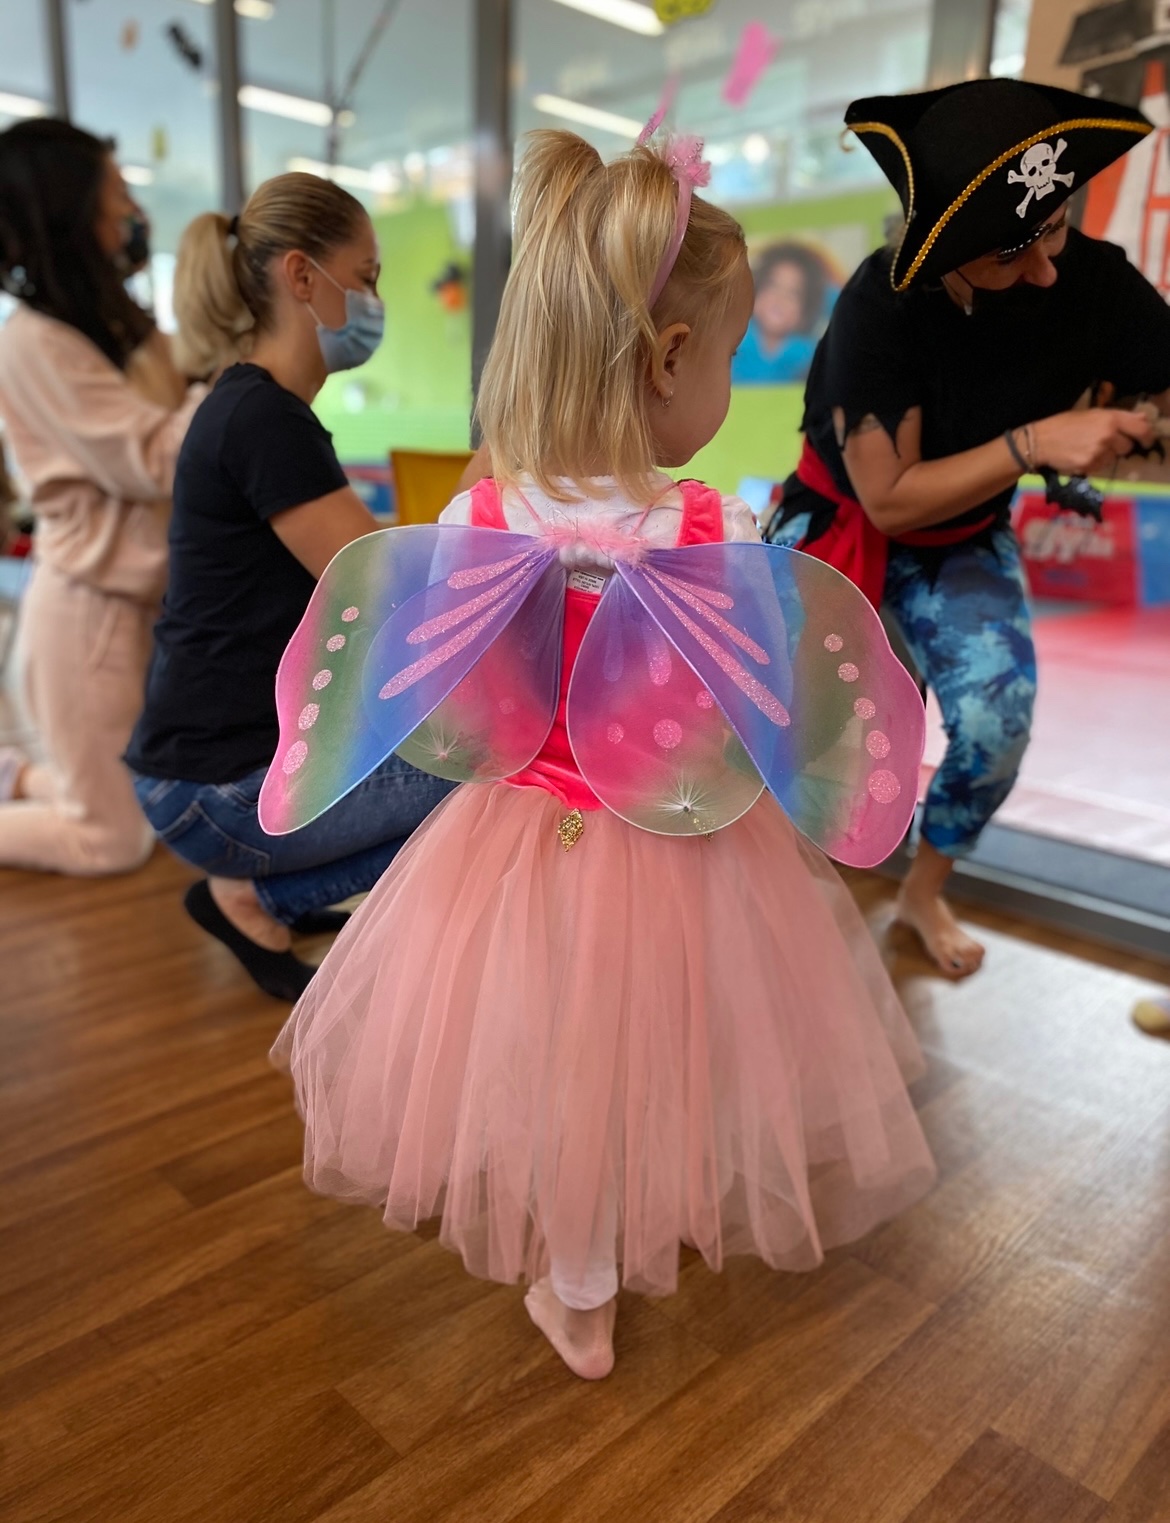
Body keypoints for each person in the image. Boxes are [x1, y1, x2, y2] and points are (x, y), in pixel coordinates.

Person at [267, 127, 936, 1381]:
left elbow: (452, 694)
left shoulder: (480, 510)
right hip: (677, 844)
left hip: (513, 840)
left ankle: (571, 1275)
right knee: (658, 1052)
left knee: (530, 1048)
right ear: (671, 356)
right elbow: (760, 707)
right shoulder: (712, 523)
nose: (727, 380)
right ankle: (599, 1249)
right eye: (727, 355)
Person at [765, 79, 1170, 978]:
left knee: (994, 725)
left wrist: (1139, 416)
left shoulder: (1092, 282)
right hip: (845, 525)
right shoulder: (882, 304)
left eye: (1055, 228)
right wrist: (1036, 442)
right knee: (800, 735)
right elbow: (891, 500)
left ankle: (921, 891)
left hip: (965, 536)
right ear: (946, 254)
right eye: (1012, 252)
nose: (1046, 268)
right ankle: (776, 900)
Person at [125, 175, 453, 1001]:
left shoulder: (252, 407)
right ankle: (259, 897)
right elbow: (389, 593)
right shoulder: (265, 419)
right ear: (302, 275)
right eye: (366, 276)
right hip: (216, 790)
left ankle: (260, 894)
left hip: (196, 773)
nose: (375, 300)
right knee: (479, 770)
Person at [0, 119, 199, 872]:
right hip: (87, 615)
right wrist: (238, 385)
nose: (131, 210)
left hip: (139, 607)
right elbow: (152, 457)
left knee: (130, 813)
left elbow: (181, 401)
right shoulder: (33, 341)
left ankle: (17, 779)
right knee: (109, 841)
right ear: (71, 209)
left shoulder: (118, 326)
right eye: (115, 192)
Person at [731, 241, 828, 384]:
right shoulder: (731, 340)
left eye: (793, 293)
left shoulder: (809, 356)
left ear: (805, 311)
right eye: (772, 286)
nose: (780, 299)